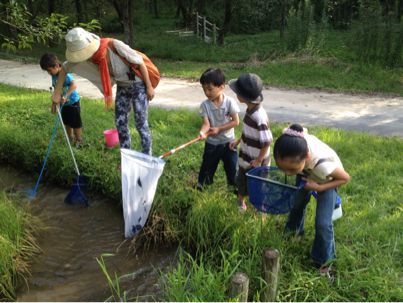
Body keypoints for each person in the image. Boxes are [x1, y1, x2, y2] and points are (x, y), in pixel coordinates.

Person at [51, 27, 155, 155]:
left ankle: (147, 155)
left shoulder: (114, 45)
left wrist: (149, 87)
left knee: (140, 122)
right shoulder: (86, 58)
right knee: (120, 122)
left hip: (138, 84)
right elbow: (65, 68)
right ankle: (126, 157)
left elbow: (140, 63)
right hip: (123, 86)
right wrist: (57, 93)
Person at [273, 123, 350, 277]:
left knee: (322, 223)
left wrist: (319, 188)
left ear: (306, 156)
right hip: (305, 172)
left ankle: (324, 262)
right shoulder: (291, 140)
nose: (288, 174)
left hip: (327, 180)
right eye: (282, 168)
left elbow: (345, 178)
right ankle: (293, 233)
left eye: (291, 170)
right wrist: (298, 172)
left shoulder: (323, 166)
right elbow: (297, 129)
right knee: (297, 204)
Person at [229, 73, 273, 211]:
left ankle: (261, 210)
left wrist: (259, 160)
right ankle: (241, 204)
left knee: (259, 186)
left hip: (257, 162)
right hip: (246, 157)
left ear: (242, 97)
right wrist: (238, 141)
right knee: (242, 181)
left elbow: (266, 142)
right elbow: (248, 132)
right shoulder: (250, 110)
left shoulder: (259, 117)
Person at [197, 68, 240, 192]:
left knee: (232, 167)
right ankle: (202, 185)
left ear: (221, 87)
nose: (207, 92)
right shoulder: (204, 105)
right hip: (212, 144)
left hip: (229, 143)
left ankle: (234, 187)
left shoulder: (230, 103)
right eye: (204, 89)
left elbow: (236, 121)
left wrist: (219, 129)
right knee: (207, 166)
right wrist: (202, 132)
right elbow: (206, 124)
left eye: (210, 89)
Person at [40, 53, 83, 148]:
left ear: (56, 66)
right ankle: (70, 137)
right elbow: (56, 88)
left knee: (76, 123)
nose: (49, 73)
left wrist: (66, 96)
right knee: (67, 122)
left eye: (49, 70)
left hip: (72, 103)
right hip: (63, 104)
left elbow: (74, 85)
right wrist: (54, 102)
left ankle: (79, 139)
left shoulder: (65, 74)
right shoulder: (54, 76)